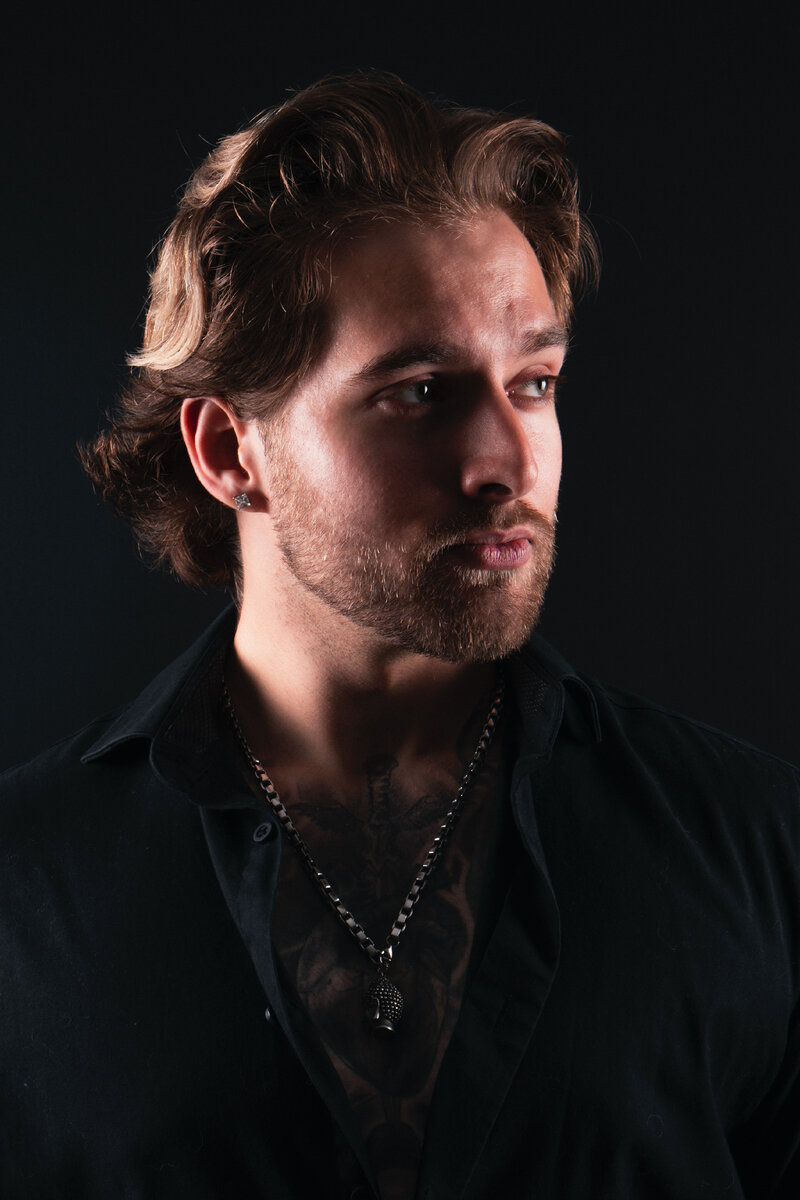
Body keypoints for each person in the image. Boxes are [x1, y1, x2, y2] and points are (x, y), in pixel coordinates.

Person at [1, 72, 797, 1200]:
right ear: (230, 452)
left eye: (534, 383)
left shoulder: (755, 849)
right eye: (420, 393)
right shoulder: (26, 895)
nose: (506, 462)